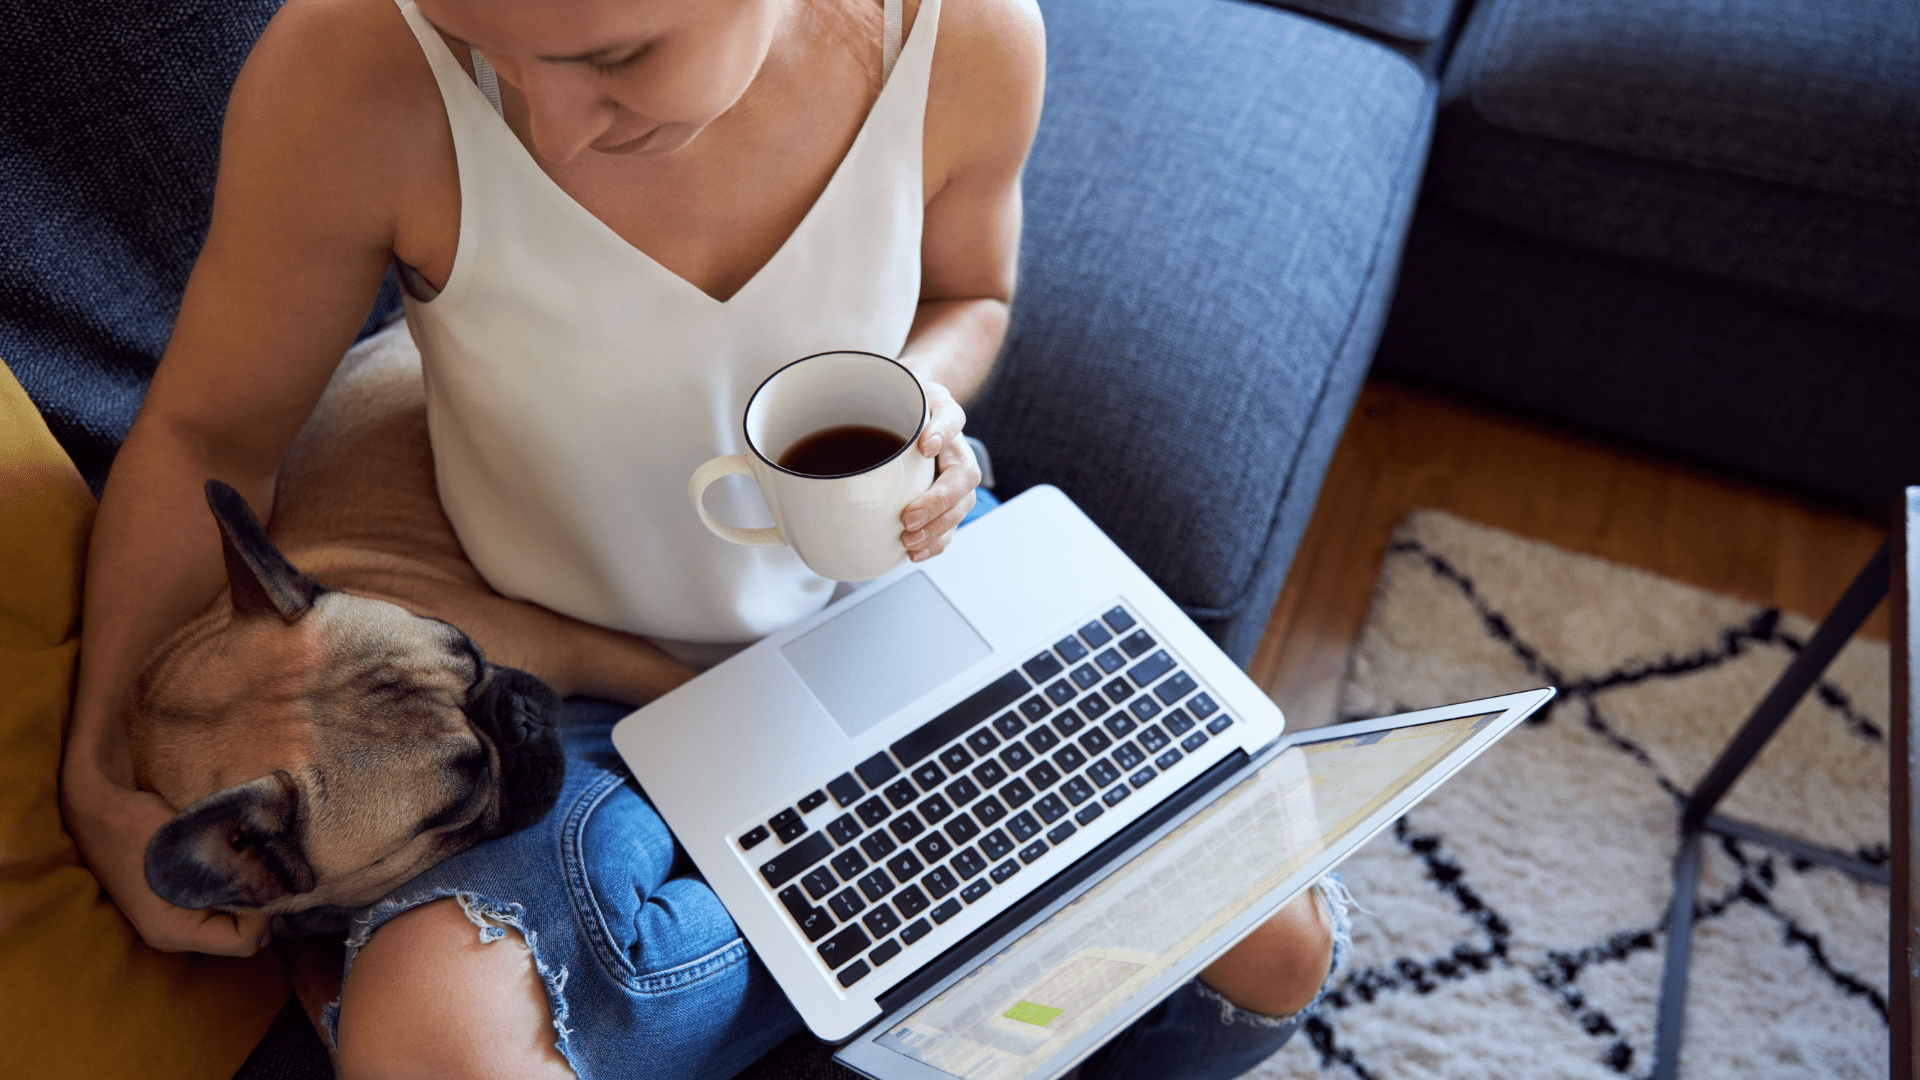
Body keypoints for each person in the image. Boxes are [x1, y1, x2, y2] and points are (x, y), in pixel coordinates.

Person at [58, 0, 1345, 1076]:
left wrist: (927, 409)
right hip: (548, 683)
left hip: (889, 588)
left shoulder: (965, 34)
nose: (547, 126)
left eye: (616, 54)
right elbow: (207, 439)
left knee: (1272, 940)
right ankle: (908, 936)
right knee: (432, 1044)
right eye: (475, 41)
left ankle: (843, 928)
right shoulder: (350, 69)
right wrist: (100, 773)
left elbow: (973, 293)